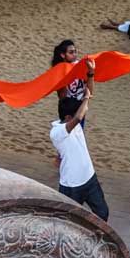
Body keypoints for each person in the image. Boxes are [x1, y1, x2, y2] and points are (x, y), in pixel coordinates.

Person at [50, 68, 110, 222]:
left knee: (103, 214)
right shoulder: (57, 132)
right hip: (71, 186)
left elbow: (88, 94)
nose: (82, 114)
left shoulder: (72, 121)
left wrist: (91, 73)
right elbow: (78, 117)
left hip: (90, 178)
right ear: (68, 117)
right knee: (67, 220)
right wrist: (86, 100)